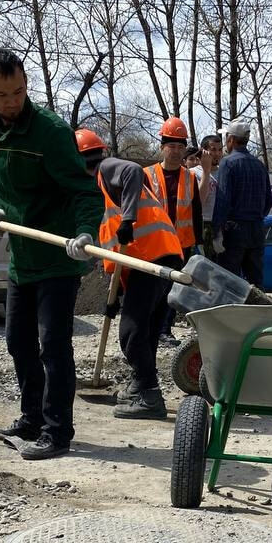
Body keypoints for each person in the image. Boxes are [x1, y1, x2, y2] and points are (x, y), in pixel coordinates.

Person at [0, 47, 104, 460]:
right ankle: (31, 417)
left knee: (54, 345)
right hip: (22, 257)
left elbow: (84, 190)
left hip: (58, 255)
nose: (12, 101)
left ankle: (57, 431)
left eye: (18, 91)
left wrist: (84, 233)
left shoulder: (49, 130)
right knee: (18, 342)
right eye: (2, 94)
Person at [71, 128, 183, 420]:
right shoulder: (100, 194)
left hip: (153, 256)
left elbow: (133, 171)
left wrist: (130, 218)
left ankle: (148, 394)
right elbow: (118, 251)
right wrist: (118, 292)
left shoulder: (105, 169)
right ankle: (143, 386)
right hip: (158, 255)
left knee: (130, 334)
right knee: (145, 331)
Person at [145, 117, 201, 346]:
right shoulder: (147, 175)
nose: (176, 152)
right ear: (162, 147)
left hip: (181, 245)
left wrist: (198, 244)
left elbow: (196, 212)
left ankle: (163, 331)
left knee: (172, 291)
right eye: (172, 146)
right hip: (155, 245)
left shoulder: (190, 178)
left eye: (180, 147)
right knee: (152, 291)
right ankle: (149, 330)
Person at [210, 119, 272, 287]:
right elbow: (268, 201)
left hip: (235, 231)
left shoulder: (228, 163)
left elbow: (222, 201)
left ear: (230, 139)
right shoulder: (260, 165)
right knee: (255, 284)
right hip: (257, 230)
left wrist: (216, 233)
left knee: (227, 283)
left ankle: (229, 314)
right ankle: (256, 312)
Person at [188, 134, 222, 254]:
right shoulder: (193, 173)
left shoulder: (224, 172)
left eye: (220, 149)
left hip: (220, 226)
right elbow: (200, 201)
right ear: (204, 151)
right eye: (213, 150)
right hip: (203, 224)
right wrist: (206, 172)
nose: (217, 153)